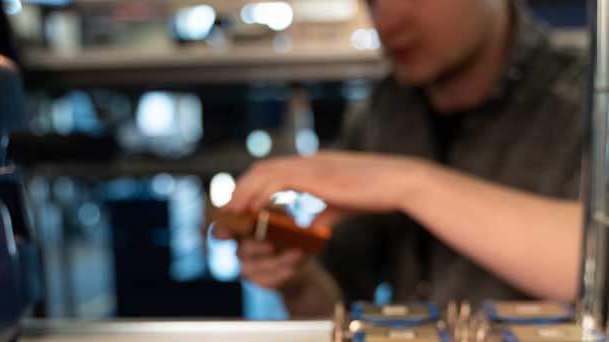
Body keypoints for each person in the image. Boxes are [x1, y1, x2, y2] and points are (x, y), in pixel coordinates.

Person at [219, 0, 586, 317]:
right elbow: (340, 311)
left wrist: (407, 184)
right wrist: (297, 281)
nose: (387, 20)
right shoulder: (383, 113)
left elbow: (593, 269)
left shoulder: (586, 100)